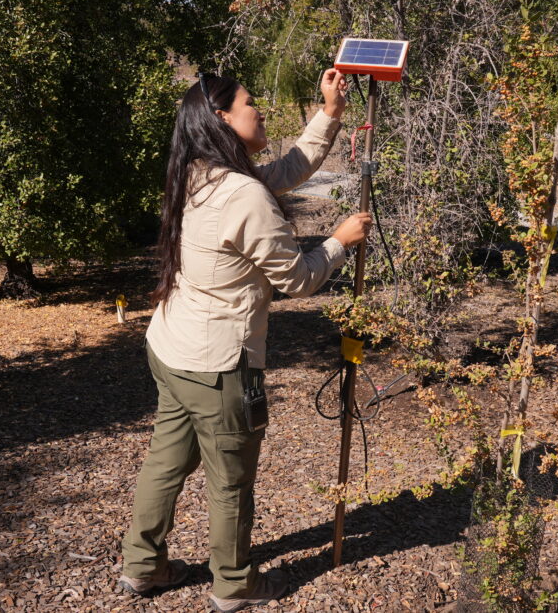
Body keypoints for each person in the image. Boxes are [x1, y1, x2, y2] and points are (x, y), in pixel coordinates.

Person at [118, 68, 371, 612]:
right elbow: (298, 280)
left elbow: (280, 172)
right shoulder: (243, 195)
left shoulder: (197, 171)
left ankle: (142, 567)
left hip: (171, 346)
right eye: (250, 104)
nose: (259, 111)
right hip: (218, 367)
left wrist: (328, 114)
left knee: (167, 459)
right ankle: (233, 584)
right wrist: (339, 242)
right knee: (230, 482)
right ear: (222, 119)